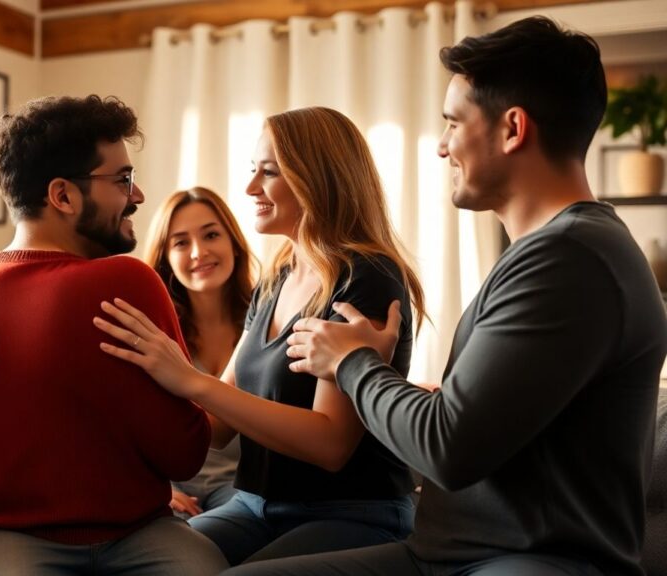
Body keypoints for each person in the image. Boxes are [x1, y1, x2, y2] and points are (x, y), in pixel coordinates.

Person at [225, 16, 667, 576]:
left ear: (512, 129)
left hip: (530, 562)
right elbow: (471, 422)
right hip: (445, 554)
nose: (440, 146)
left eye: (453, 123)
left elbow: (447, 447)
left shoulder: (570, 258)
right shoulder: (553, 252)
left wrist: (353, 364)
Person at [93, 106, 427, 566]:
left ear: (317, 178)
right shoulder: (277, 278)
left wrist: (188, 379)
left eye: (268, 173)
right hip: (252, 505)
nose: (250, 188)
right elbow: (216, 427)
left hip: (352, 512)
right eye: (253, 171)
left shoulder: (366, 278)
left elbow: (330, 445)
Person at [0, 95, 227, 576]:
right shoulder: (127, 283)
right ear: (62, 195)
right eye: (122, 179)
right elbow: (184, 454)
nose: (139, 195)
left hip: (1, 542)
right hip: (141, 532)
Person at [143, 187, 255, 518]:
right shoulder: (153, 334)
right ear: (165, 257)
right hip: (170, 488)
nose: (198, 252)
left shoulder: (266, 321)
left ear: (233, 242)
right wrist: (161, 491)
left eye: (211, 235)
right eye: (180, 242)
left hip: (245, 490)